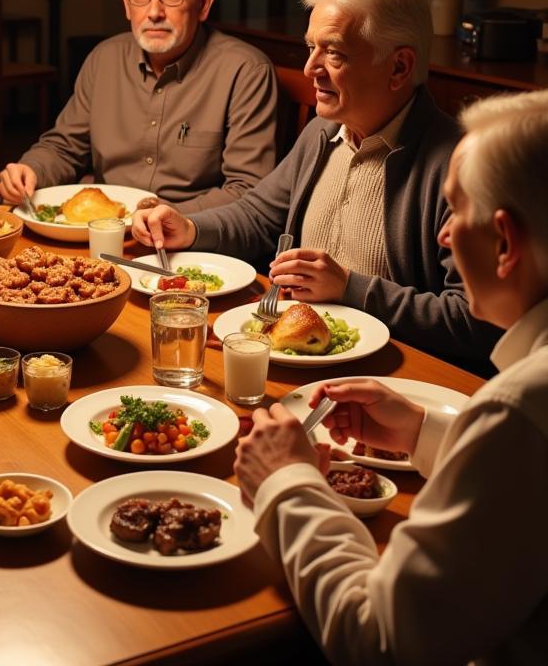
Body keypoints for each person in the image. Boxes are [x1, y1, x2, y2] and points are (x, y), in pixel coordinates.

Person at [233, 88, 548, 663]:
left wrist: (288, 484)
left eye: (456, 212)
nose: (442, 237)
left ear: (506, 243)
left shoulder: (517, 410)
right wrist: (428, 434)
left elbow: (382, 641)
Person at [133, 0, 500, 371]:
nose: (311, 69)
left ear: (399, 67)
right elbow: (258, 216)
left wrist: (350, 288)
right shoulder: (324, 133)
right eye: (311, 48)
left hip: (397, 376)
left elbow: (478, 323)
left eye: (336, 53)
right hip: (297, 358)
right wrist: (191, 228)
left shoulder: (462, 166)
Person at [0, 0, 277, 212]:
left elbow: (247, 190)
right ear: (126, 2)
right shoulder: (103, 59)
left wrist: (170, 218)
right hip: (104, 229)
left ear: (204, 3)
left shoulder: (245, 71)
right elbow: (64, 148)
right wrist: (30, 170)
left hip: (190, 241)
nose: (154, 12)